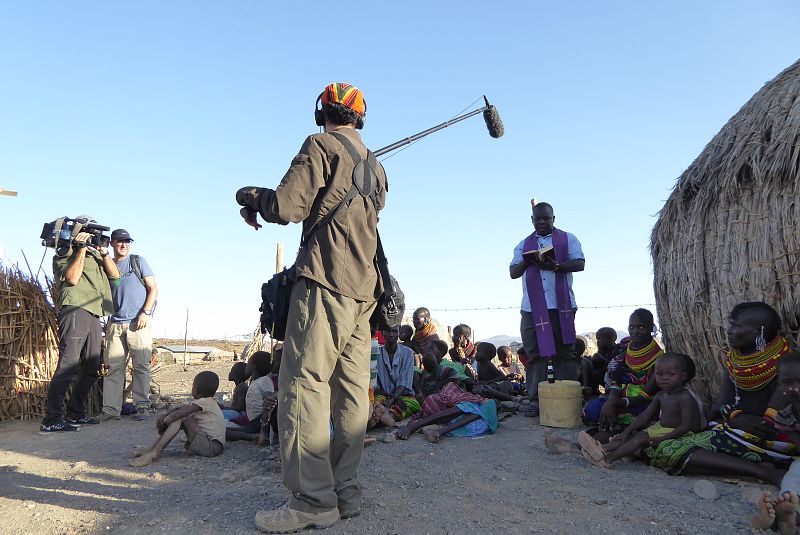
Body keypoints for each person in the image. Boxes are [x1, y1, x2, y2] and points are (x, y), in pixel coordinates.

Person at [235, 82, 387, 532]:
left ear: (321, 110)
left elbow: (286, 206)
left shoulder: (320, 145)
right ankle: (344, 494)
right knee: (352, 393)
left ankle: (312, 502)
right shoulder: (376, 168)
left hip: (326, 279)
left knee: (303, 385)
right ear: (360, 116)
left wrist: (250, 197)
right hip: (366, 289)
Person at [41, 217, 121, 433]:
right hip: (75, 308)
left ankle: (76, 413)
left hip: (95, 312)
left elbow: (116, 276)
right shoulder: (64, 252)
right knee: (69, 364)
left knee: (92, 367)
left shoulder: (97, 254)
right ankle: (51, 419)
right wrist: (81, 250)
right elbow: (72, 278)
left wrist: (103, 252)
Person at [509, 201, 585, 417]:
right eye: (538, 219)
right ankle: (536, 399)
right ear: (532, 220)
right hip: (532, 308)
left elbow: (580, 264)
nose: (542, 222)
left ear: (553, 218)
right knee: (534, 354)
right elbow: (513, 272)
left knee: (565, 352)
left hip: (561, 305)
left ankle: (568, 398)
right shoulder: (524, 244)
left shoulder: (568, 239)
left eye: (546, 218)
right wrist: (529, 260)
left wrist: (556, 265)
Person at [579, 353, 702, 468]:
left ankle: (607, 460)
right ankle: (602, 448)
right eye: (659, 374)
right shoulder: (661, 395)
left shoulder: (685, 397)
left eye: (670, 374)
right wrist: (626, 432)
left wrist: (664, 438)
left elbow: (686, 426)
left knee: (638, 440)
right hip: (660, 428)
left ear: (683, 376)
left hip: (678, 433)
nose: (664, 378)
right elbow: (644, 416)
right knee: (631, 436)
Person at [101, 228, 158, 422]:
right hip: (115, 323)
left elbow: (153, 289)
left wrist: (146, 312)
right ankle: (111, 409)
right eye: (119, 241)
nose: (124, 245)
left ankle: (141, 406)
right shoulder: (106, 265)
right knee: (113, 368)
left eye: (127, 242)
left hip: (138, 322)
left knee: (141, 366)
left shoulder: (137, 261)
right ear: (112, 243)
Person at [583, 309, 663, 437]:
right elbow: (617, 378)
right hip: (620, 397)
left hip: (641, 403)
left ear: (651, 329)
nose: (635, 331)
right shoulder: (625, 350)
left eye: (641, 327)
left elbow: (644, 395)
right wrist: (612, 399)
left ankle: (618, 432)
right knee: (592, 410)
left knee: (640, 417)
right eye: (632, 327)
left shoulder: (659, 358)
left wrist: (615, 403)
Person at [128, 371, 225, 466]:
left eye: (192, 386)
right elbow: (180, 410)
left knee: (182, 417)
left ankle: (154, 453)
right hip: (210, 446)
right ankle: (152, 451)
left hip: (211, 447)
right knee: (181, 418)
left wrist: (165, 421)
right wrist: (166, 416)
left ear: (197, 390)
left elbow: (179, 414)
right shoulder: (206, 403)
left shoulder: (205, 402)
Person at [753, 351, 800, 533]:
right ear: (779, 385)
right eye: (788, 382)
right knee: (792, 477)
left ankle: (782, 521)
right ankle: (787, 513)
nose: (795, 388)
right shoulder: (784, 417)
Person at [375, 325, 420, 421]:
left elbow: (403, 383)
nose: (391, 334)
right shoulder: (376, 353)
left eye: (395, 331)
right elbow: (375, 383)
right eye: (388, 331)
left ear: (399, 333)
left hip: (402, 395)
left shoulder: (407, 353)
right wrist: (387, 398)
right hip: (383, 395)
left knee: (413, 405)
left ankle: (386, 415)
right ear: (383, 332)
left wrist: (392, 399)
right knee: (377, 401)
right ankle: (386, 414)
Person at [581, 327, 616, 398]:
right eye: (597, 339)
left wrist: (604, 362)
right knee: (584, 362)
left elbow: (614, 367)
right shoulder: (602, 350)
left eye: (599, 339)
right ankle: (587, 388)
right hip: (599, 379)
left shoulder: (617, 351)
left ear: (610, 340)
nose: (597, 342)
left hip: (611, 381)